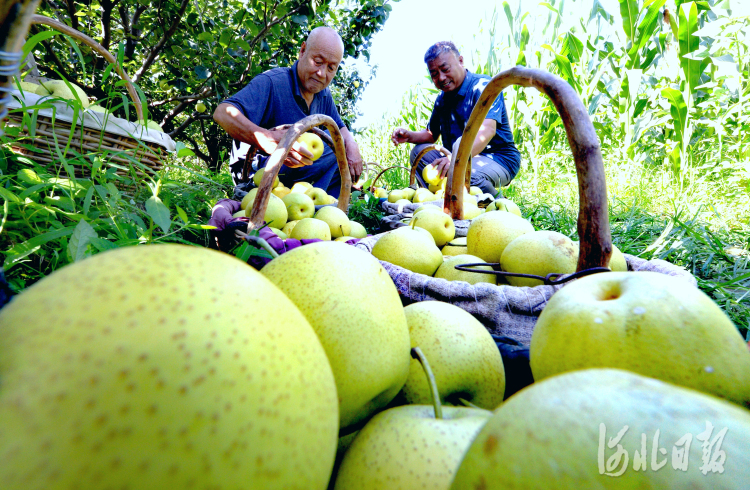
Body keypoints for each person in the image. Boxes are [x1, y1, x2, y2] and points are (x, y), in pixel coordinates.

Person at [213, 27, 362, 198]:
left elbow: (339, 128)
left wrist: (352, 144)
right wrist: (265, 138)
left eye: (331, 68)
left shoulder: (323, 95)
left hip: (294, 171)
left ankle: (323, 211)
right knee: (335, 150)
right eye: (318, 61)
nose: (322, 73)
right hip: (257, 172)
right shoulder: (273, 82)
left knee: (340, 148)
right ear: (303, 51)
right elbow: (222, 113)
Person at [391, 41, 521, 196]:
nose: (441, 77)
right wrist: (409, 135)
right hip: (459, 159)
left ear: (460, 61)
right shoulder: (442, 100)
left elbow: (488, 130)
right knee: (419, 152)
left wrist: (455, 159)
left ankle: (500, 208)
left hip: (499, 158)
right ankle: (436, 198)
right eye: (434, 74)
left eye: (445, 69)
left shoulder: (482, 86)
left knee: (465, 176)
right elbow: (431, 135)